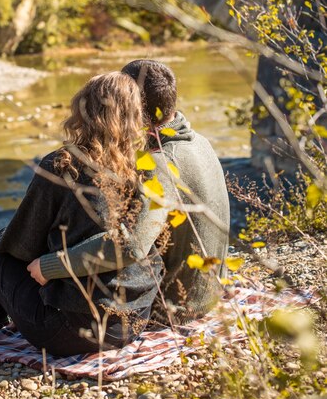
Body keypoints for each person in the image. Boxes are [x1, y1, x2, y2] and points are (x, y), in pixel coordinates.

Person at [0, 72, 162, 353]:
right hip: (133, 321)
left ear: (83, 111)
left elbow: (23, 243)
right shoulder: (146, 167)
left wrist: (2, 238)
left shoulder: (64, 165)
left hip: (72, 330)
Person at [30, 60, 231, 325]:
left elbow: (131, 246)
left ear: (130, 105)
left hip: (175, 308)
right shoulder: (197, 140)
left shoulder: (161, 163)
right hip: (210, 292)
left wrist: (51, 265)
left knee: (31, 256)